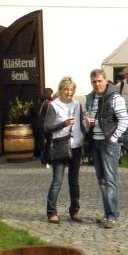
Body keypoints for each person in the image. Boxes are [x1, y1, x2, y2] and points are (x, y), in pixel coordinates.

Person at [86, 69, 128, 229]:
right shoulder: (90, 98)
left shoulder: (115, 97)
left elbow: (124, 121)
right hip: (95, 141)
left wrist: (112, 138)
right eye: (93, 81)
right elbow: (88, 117)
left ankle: (113, 216)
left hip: (109, 143)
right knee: (102, 180)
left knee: (110, 180)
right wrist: (87, 122)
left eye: (99, 81)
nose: (97, 84)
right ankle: (107, 214)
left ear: (106, 81)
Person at [45, 77, 85, 224]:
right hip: (61, 145)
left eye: (71, 90)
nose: (69, 92)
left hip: (76, 146)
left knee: (74, 181)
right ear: (60, 90)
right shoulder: (54, 106)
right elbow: (47, 127)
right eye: (66, 89)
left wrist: (87, 125)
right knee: (57, 181)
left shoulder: (77, 105)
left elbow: (81, 124)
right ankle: (51, 212)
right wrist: (63, 124)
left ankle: (74, 210)